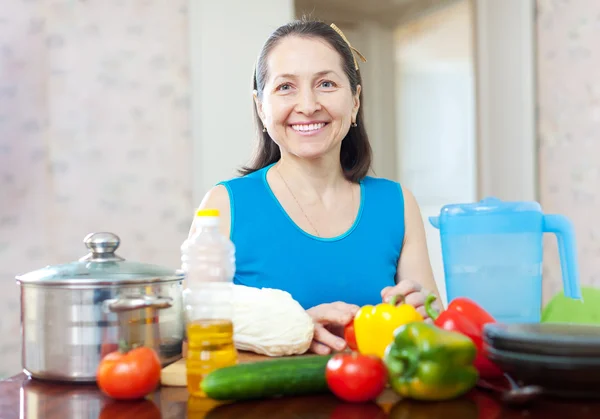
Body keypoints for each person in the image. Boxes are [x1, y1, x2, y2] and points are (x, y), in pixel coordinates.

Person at [191, 18, 442, 355]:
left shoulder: (398, 204)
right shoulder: (222, 205)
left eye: (326, 84)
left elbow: (435, 333)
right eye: (285, 87)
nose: (308, 105)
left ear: (354, 101)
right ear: (261, 107)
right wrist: (292, 329)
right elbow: (191, 322)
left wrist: (424, 316)